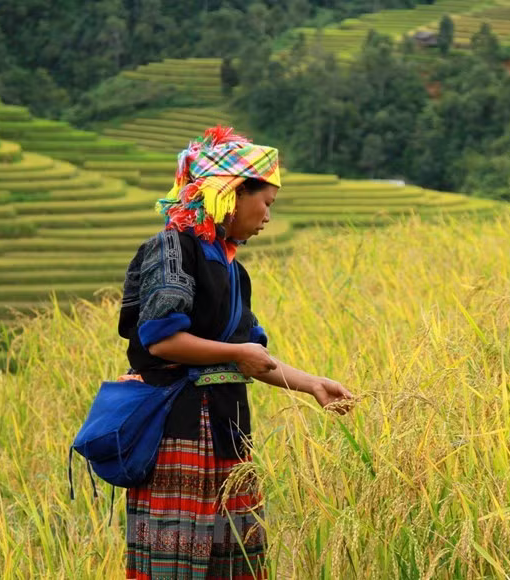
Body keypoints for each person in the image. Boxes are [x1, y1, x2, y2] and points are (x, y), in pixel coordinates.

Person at [118, 126, 354, 579]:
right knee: (178, 560)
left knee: (233, 560)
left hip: (227, 427)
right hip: (178, 430)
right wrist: (238, 353)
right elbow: (162, 339)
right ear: (231, 194)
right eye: (265, 202)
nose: (268, 215)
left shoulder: (233, 269)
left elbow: (251, 353)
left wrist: (312, 386)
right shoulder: (172, 250)